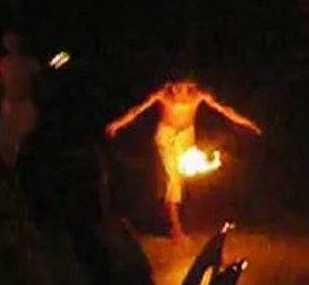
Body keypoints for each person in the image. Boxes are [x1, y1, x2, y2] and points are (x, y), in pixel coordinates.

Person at [105, 80, 261, 241]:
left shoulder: (199, 95)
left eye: (182, 88)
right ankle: (175, 228)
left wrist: (246, 123)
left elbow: (225, 110)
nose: (177, 92)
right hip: (166, 135)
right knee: (172, 178)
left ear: (190, 87)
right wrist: (118, 124)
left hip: (186, 135)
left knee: (181, 178)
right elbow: (137, 109)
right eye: (174, 87)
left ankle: (175, 216)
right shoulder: (162, 95)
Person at [0, 30, 41, 174]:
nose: (12, 44)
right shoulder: (0, 63)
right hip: (9, 108)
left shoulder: (31, 62)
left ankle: (28, 175)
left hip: (27, 107)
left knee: (27, 142)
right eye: (8, 41)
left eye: (15, 40)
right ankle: (12, 176)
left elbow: (39, 84)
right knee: (8, 145)